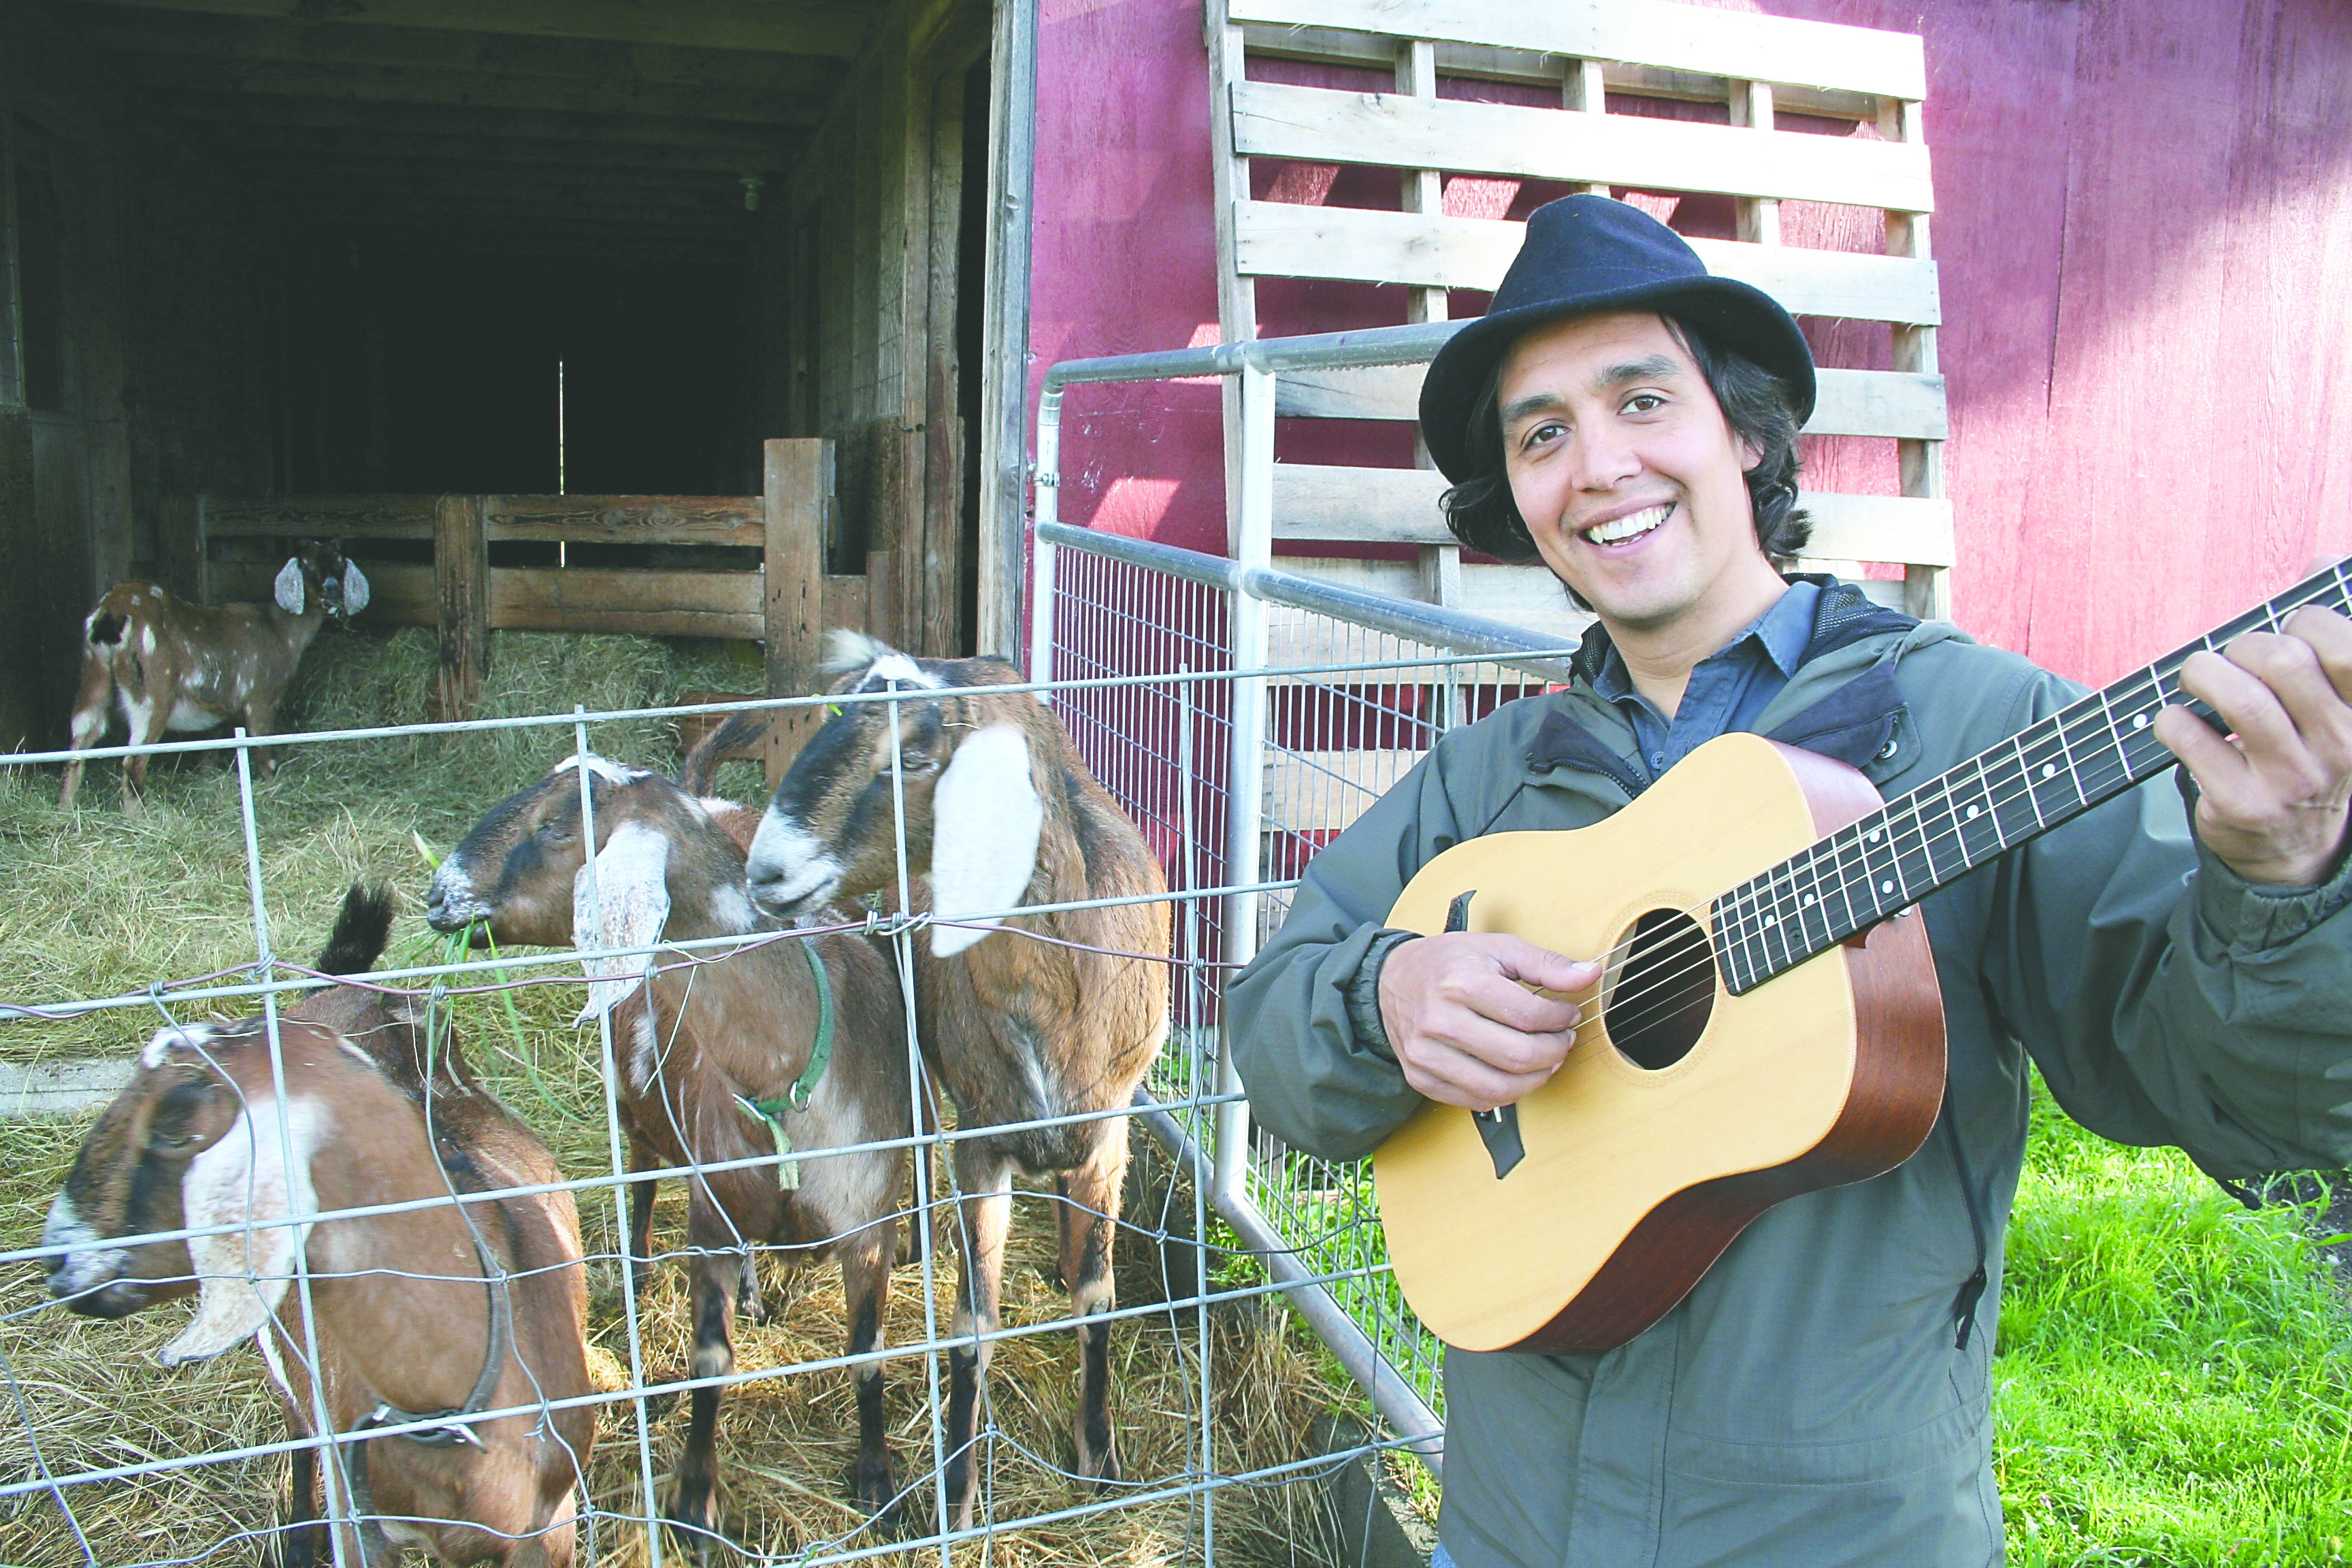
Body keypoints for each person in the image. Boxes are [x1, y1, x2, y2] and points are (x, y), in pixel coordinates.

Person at [1226, 194, 2352, 1566]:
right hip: (1514, 1526)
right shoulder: (1488, 780)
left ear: (1746, 434)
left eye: (1644, 401)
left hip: (1838, 1531)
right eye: (1543, 434)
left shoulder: (1978, 730)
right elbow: (1276, 1027)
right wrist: (1386, 993)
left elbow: (2253, 1107)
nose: (1598, 467)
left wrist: (2283, 889)